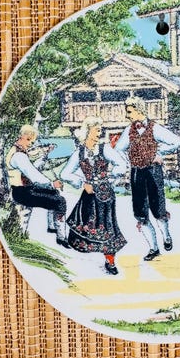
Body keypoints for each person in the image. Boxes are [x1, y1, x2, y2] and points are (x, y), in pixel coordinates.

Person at [115, 96, 180, 261]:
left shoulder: (155, 128)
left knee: (158, 209)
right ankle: (153, 248)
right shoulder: (128, 130)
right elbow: (118, 149)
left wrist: (159, 153)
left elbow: (177, 141)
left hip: (153, 172)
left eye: (129, 112)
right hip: (137, 173)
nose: (127, 115)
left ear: (139, 110)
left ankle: (166, 236)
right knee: (140, 212)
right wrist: (127, 162)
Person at [61, 116, 127, 275]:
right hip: (89, 195)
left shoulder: (105, 149)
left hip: (106, 195)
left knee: (108, 226)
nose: (99, 133)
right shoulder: (79, 153)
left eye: (100, 130)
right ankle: (80, 264)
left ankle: (110, 261)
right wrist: (82, 183)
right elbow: (65, 173)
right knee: (87, 224)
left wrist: (110, 178)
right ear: (88, 131)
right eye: (97, 130)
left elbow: (121, 164)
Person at [5, 124, 69, 247]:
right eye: (29, 140)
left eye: (32, 141)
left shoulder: (18, 151)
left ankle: (52, 227)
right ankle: (61, 237)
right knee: (60, 201)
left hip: (24, 190)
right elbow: (34, 175)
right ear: (22, 137)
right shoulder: (18, 156)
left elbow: (32, 165)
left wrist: (43, 155)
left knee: (54, 193)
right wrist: (52, 183)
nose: (30, 144)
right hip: (22, 193)